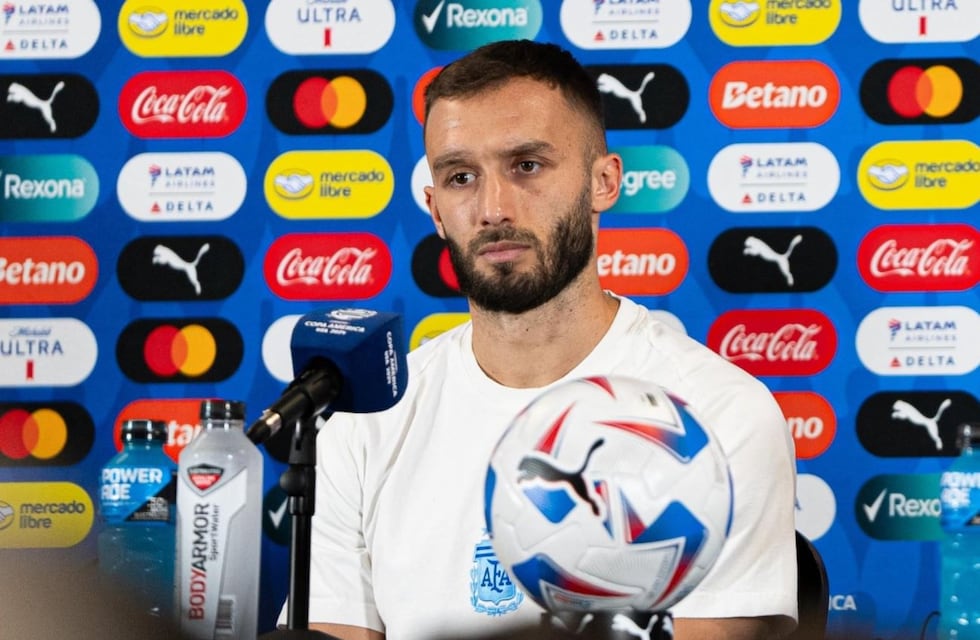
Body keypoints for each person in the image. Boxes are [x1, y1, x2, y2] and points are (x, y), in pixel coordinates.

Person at [282, 39, 798, 640]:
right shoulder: (366, 417)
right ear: (434, 208)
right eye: (460, 176)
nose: (493, 207)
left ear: (604, 182)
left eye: (526, 166)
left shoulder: (718, 414)